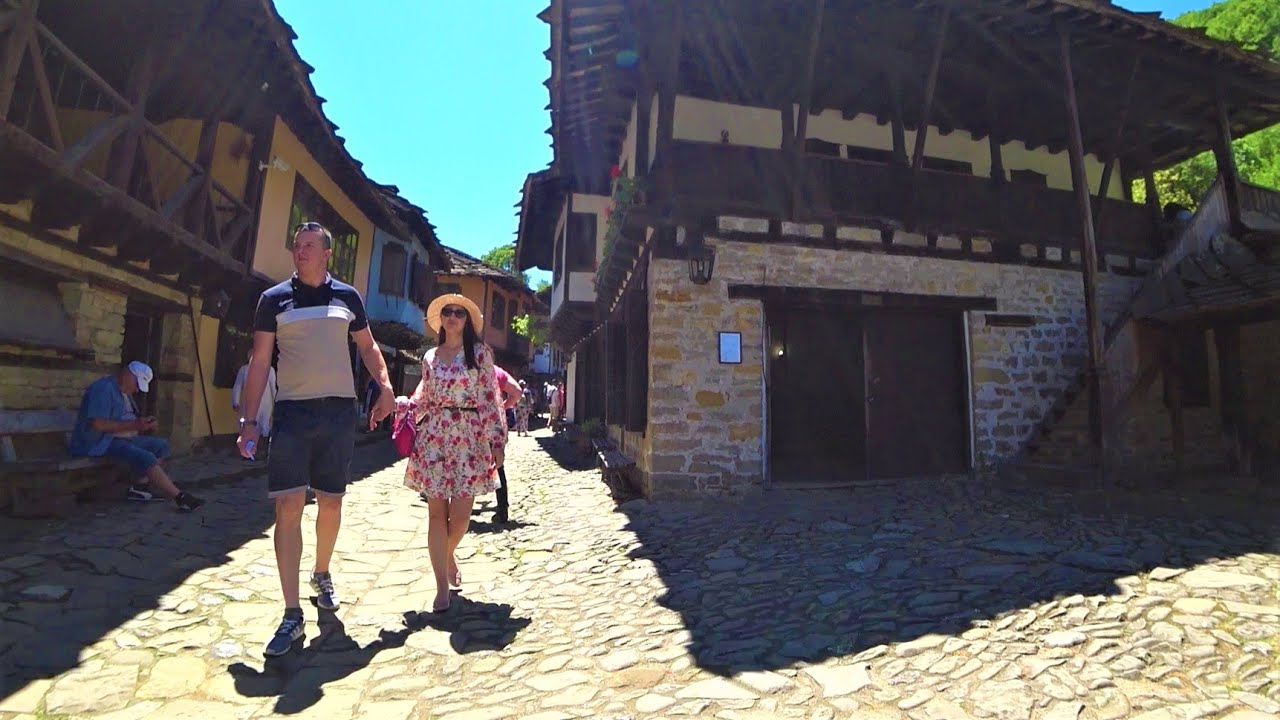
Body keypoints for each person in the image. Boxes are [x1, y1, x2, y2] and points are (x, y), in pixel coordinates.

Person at [236, 221, 395, 658]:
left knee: (330, 501)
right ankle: (291, 612)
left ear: (327, 254)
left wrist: (385, 386)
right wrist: (251, 420)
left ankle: (321, 572)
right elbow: (261, 361)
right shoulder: (273, 300)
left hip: (338, 412)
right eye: (296, 246)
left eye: (309, 246)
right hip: (292, 412)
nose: (299, 251)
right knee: (287, 505)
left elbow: (367, 347)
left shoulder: (347, 297)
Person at [396, 293, 505, 613]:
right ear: (441, 319)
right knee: (435, 514)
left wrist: (496, 440)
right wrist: (405, 406)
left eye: (459, 313)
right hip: (435, 439)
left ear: (466, 320)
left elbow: (489, 397)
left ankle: (447, 554)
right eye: (447, 312)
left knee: (459, 518)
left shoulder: (480, 354)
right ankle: (441, 587)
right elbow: (425, 397)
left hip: (470, 438)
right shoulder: (429, 357)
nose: (453, 316)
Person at [69, 361, 204, 512]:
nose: (137, 389)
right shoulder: (104, 389)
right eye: (137, 384)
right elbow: (98, 425)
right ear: (127, 375)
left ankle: (140, 487)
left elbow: (125, 420)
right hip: (97, 441)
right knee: (145, 457)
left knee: (161, 445)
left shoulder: (123, 392)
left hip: (116, 437)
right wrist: (135, 425)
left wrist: (142, 424)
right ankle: (180, 497)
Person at [232, 349, 277, 459]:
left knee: (263, 425)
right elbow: (238, 386)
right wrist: (235, 401)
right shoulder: (244, 370)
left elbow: (273, 387)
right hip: (252, 403)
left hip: (265, 403)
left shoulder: (269, 370)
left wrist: (276, 402)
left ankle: (262, 451)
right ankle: (250, 451)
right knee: (251, 424)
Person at [492, 364, 521, 524]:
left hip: (473, 424)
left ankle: (461, 510)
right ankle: (502, 509)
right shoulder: (497, 371)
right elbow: (517, 392)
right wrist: (502, 407)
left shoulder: (466, 366)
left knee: (467, 466)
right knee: (498, 467)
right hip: (496, 425)